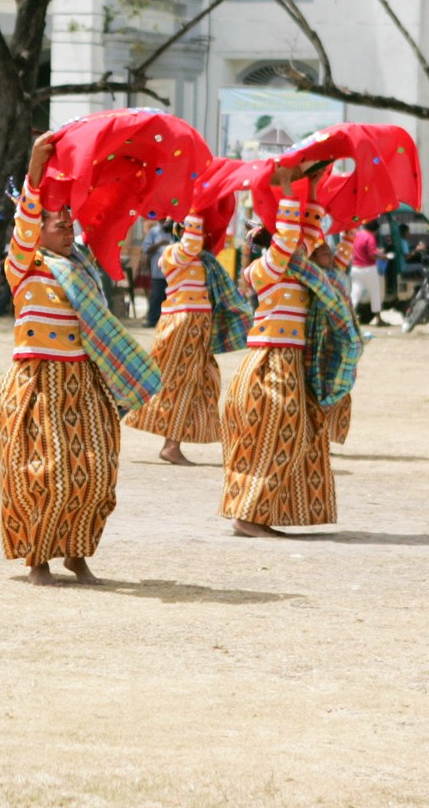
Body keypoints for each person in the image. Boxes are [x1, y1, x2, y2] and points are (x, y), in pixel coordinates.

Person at [0, 132, 154, 585]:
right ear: (37, 232)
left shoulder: (81, 267)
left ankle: (77, 552)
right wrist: (35, 170)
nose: (68, 232)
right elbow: (25, 223)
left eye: (69, 226)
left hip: (83, 382)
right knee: (44, 473)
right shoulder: (23, 265)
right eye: (58, 226)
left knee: (97, 472)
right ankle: (38, 558)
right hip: (38, 382)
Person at [221, 158, 360, 536]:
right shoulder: (265, 268)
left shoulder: (297, 268)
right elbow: (288, 239)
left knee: (296, 435)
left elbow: (308, 233)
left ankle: (258, 513)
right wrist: (285, 187)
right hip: (270, 362)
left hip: (289, 361)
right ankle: (247, 516)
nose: (304, 241)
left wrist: (312, 186)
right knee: (277, 435)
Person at [124, 203, 250, 466]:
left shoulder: (202, 260)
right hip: (182, 324)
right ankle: (170, 445)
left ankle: (170, 441)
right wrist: (195, 203)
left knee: (196, 382)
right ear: (181, 230)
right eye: (194, 229)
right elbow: (190, 244)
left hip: (197, 325)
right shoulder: (172, 254)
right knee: (178, 382)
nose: (199, 236)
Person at [140, 219, 173, 327]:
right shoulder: (154, 232)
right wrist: (159, 244)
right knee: (157, 297)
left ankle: (169, 322)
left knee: (171, 298)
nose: (165, 221)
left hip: (174, 273)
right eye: (162, 219)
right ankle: (153, 320)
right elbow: (146, 248)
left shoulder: (175, 230)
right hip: (158, 271)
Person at [349, 223, 384, 324]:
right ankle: (378, 319)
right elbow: (372, 254)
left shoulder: (356, 235)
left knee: (355, 294)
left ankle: (348, 317)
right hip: (368, 268)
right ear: (375, 230)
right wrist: (383, 256)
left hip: (355, 268)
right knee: (375, 293)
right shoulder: (370, 237)